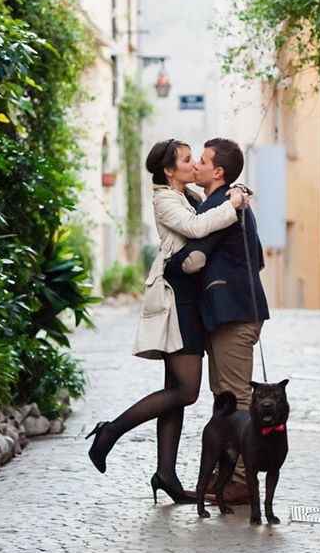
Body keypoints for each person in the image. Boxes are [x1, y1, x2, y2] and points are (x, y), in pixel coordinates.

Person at [86, 139, 248, 504]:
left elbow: (209, 207)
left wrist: (233, 191)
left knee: (174, 390)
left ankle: (166, 474)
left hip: (190, 299)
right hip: (178, 301)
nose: (193, 165)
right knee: (185, 391)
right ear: (169, 171)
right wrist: (233, 205)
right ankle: (110, 432)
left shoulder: (186, 193)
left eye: (195, 159)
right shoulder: (165, 199)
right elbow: (195, 228)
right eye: (187, 160)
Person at [164, 138, 270, 505]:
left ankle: (241, 481)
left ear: (218, 171)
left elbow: (196, 254)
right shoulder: (221, 202)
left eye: (203, 161)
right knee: (226, 398)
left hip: (234, 315)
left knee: (237, 398)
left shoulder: (223, 204)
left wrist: (170, 267)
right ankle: (228, 477)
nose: (196, 167)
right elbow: (256, 259)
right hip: (232, 313)